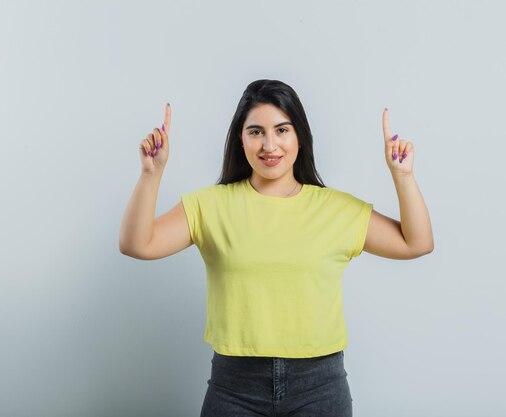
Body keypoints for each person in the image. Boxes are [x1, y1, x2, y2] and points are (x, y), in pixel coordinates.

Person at [119, 79, 434, 417]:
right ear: (241, 139)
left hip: (319, 388)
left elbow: (416, 243)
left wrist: (403, 177)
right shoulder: (209, 206)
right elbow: (137, 244)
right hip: (235, 388)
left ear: (300, 136)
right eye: (256, 132)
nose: (270, 144)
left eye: (282, 130)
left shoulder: (337, 209)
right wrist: (151, 174)